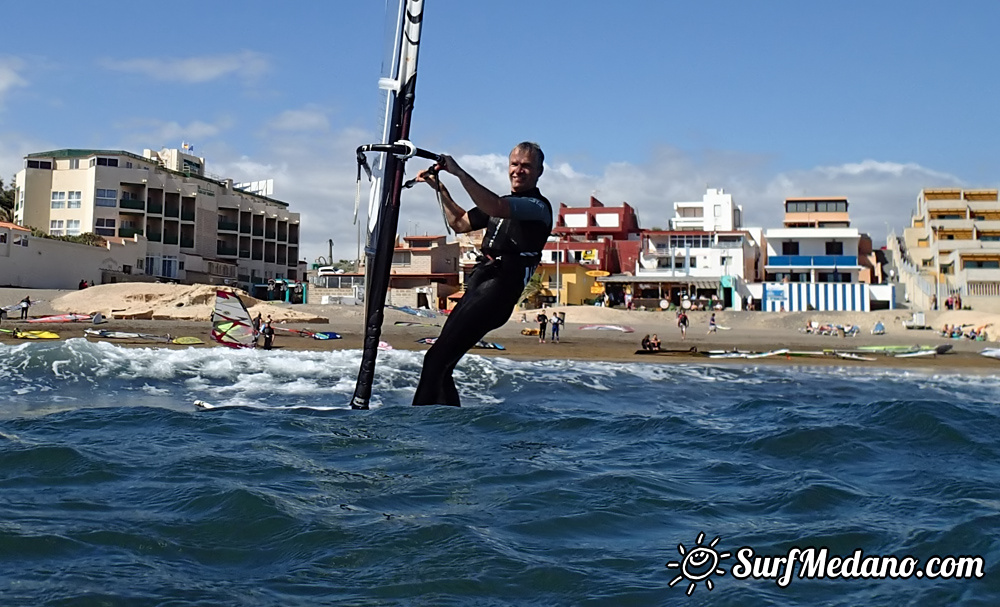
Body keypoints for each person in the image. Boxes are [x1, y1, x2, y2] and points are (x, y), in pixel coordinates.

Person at [411, 142, 552, 406]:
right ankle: (448, 431)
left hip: (498, 292)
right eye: (514, 164)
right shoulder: (500, 204)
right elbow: (460, 223)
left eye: (526, 166)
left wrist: (460, 173)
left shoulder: (537, 206)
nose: (518, 170)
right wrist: (439, 188)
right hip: (481, 287)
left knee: (436, 360)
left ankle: (418, 428)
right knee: (442, 365)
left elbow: (497, 207)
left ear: (539, 172)